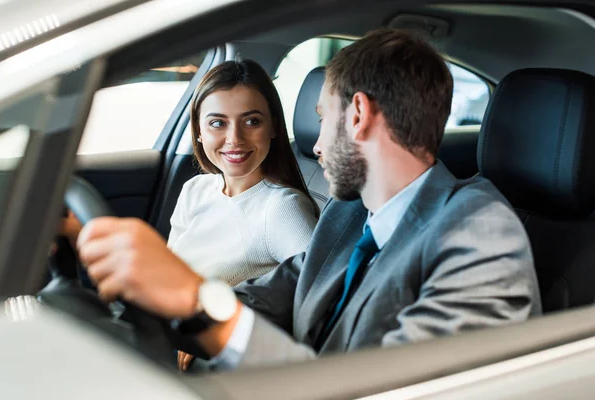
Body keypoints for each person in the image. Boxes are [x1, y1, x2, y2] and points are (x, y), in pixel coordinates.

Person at [75, 28, 541, 371]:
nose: (315, 146)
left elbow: (388, 385)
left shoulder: (480, 232)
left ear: (357, 115)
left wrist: (201, 310)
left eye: (322, 118)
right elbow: (268, 297)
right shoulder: (349, 213)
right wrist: (161, 310)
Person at [62, 59, 318, 287]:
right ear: (198, 131)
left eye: (251, 122)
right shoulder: (195, 189)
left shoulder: (283, 209)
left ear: (273, 127)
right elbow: (167, 277)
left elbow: (317, 300)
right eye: (218, 123)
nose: (234, 139)